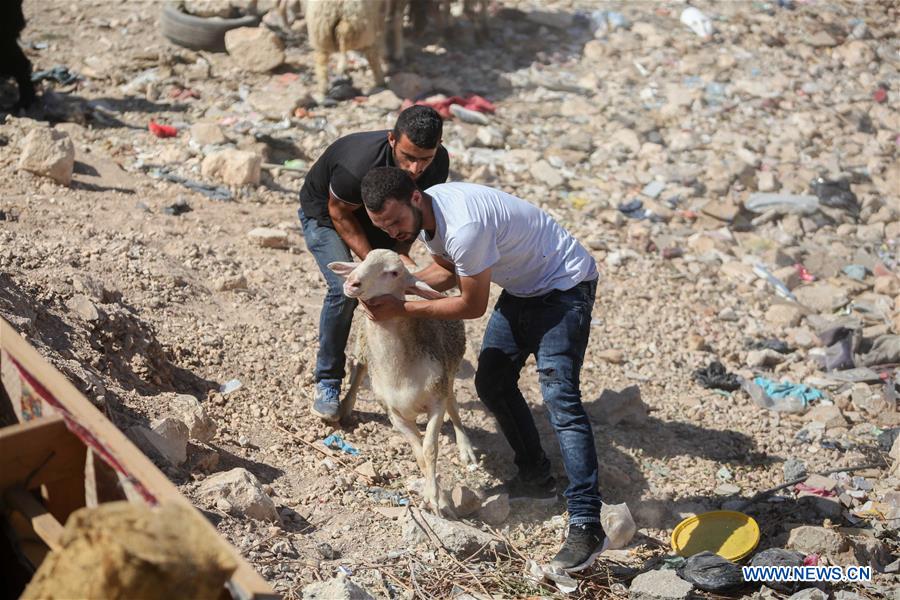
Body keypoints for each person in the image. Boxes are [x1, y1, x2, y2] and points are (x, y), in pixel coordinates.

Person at [358, 167, 607, 573]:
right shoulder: (427, 219)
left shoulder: (465, 227)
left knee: (560, 397)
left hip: (565, 287)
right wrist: (399, 285)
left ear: (415, 198)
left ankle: (587, 522)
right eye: (382, 226)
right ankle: (536, 477)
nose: (394, 232)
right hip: (524, 289)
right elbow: (445, 269)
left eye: (397, 221)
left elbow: (471, 305)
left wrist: (403, 307)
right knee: (491, 382)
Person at [298, 106, 449, 422]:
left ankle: (394, 365)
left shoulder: (436, 166)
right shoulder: (359, 164)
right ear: (392, 139)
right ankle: (328, 382)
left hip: (382, 221)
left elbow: (415, 215)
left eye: (425, 158)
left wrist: (401, 251)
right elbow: (338, 212)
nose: (415, 167)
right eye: (407, 156)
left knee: (393, 285)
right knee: (346, 292)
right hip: (328, 216)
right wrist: (370, 263)